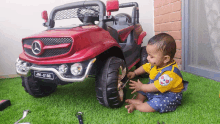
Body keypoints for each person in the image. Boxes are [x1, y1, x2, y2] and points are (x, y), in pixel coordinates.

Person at [125, 33, 188, 113]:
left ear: (165, 59)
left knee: (157, 103)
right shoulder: (156, 64)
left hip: (168, 95)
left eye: (151, 56)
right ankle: (138, 100)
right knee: (143, 89)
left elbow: (156, 87)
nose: (147, 58)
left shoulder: (169, 75)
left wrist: (142, 87)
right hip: (156, 89)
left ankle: (137, 106)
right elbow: (145, 67)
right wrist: (134, 73)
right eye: (148, 55)